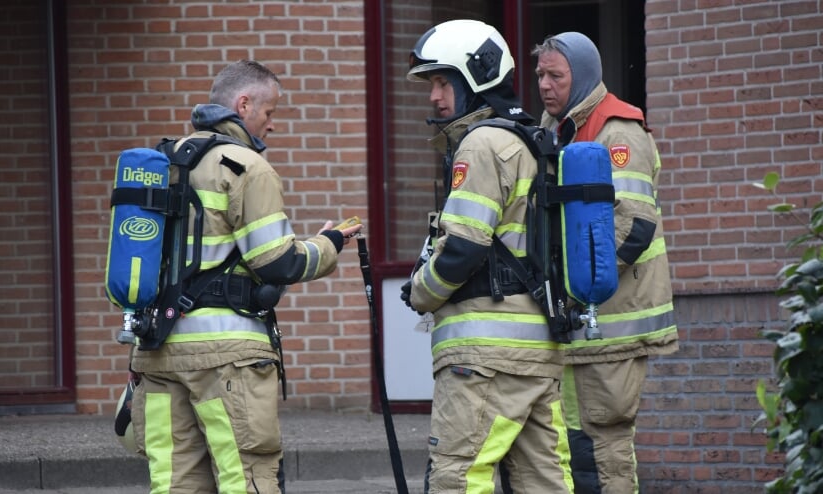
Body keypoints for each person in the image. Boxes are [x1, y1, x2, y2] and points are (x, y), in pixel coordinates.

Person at [128, 60, 362, 494]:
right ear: (243, 104)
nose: (271, 125)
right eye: (270, 113)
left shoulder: (161, 162)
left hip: (156, 351)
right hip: (225, 358)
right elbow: (276, 263)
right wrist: (329, 244)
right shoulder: (244, 166)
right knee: (245, 479)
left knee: (174, 482)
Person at [401, 19, 574, 494]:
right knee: (547, 484)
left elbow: (463, 247)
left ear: (474, 78)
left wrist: (419, 293)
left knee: (459, 479)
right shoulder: (533, 141)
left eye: (442, 82)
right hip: (539, 353)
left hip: (483, 361)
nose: (434, 96)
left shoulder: (481, 143)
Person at [533, 33, 678, 493]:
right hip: (583, 323)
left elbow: (634, 226)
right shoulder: (557, 128)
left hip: (614, 320)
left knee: (604, 444)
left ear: (585, 76)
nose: (544, 85)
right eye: (540, 75)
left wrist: (581, 286)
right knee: (576, 443)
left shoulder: (619, 131)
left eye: (556, 75)